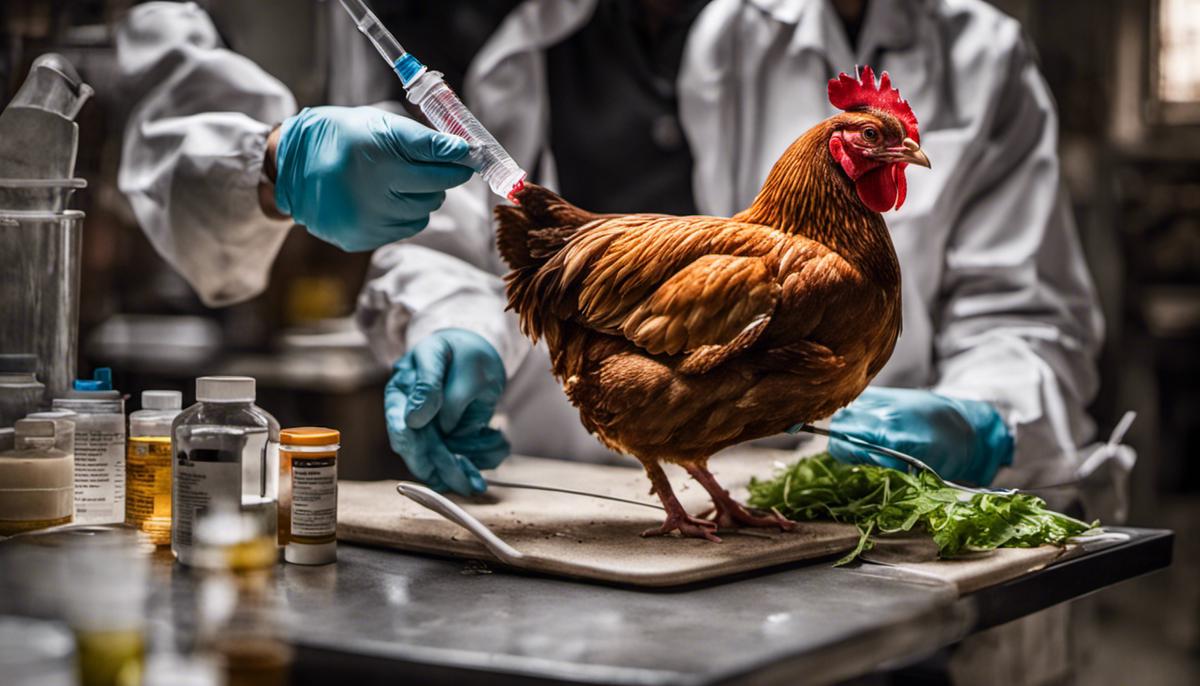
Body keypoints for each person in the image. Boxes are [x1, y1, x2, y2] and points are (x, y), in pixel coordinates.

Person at [117, 0, 1103, 500]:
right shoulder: (502, 29)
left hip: (843, 535)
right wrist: (457, 328)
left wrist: (987, 419)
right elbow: (461, 240)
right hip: (563, 514)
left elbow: (1029, 317)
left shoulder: (966, 50)